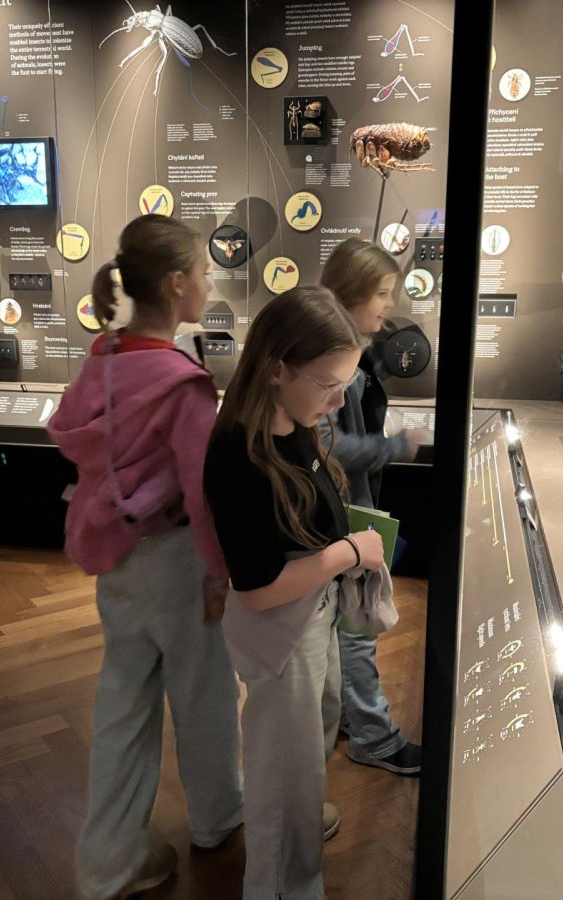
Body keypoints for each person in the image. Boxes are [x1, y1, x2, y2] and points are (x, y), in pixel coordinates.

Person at [50, 214, 242, 900]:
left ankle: (109, 865)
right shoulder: (183, 383)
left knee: (122, 705)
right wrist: (220, 572)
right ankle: (218, 818)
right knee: (205, 693)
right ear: (176, 283)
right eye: (205, 272)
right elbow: (202, 494)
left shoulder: (102, 360)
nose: (210, 283)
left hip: (118, 558)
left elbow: (73, 436)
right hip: (178, 561)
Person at [205, 286, 386, 900]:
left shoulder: (298, 424)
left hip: (312, 617)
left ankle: (298, 843)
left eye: (346, 385)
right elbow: (257, 589)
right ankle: (282, 884)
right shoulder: (239, 455)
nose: (338, 402)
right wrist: (348, 553)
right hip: (280, 632)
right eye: (328, 384)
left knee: (306, 751)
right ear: (277, 368)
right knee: (283, 776)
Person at [319, 238, 425, 776]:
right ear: (353, 292)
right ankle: (374, 738)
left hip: (345, 511)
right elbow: (328, 444)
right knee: (359, 625)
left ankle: (350, 718)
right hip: (343, 515)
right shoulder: (338, 360)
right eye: (381, 293)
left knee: (351, 623)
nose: (389, 304)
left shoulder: (345, 352)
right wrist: (392, 447)